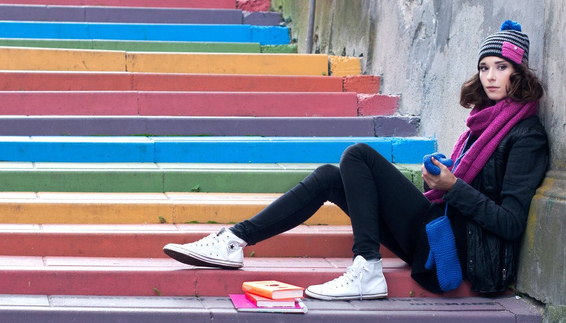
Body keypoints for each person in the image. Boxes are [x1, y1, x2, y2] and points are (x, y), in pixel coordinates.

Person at [163, 20, 549, 300]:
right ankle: (234, 240)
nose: (490, 76)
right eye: (484, 67)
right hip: (439, 230)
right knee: (330, 176)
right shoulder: (483, 123)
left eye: (501, 67)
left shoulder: (526, 136)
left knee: (358, 155)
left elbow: (511, 223)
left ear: (519, 74)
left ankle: (367, 266)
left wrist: (454, 187)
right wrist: (442, 180)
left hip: (461, 251)